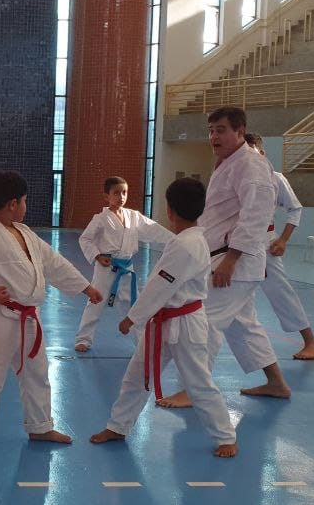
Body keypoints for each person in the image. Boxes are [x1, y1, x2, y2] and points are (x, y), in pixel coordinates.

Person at [0, 171, 104, 453]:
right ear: (12, 203)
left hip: (29, 316)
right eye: (24, 200)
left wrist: (85, 287)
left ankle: (40, 426)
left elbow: (53, 263)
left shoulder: (24, 232)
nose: (25, 205)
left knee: (37, 372)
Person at [89, 178, 238, 458]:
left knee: (198, 382)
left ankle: (226, 436)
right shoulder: (188, 240)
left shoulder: (187, 244)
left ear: (170, 211)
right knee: (136, 375)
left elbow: (159, 287)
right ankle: (118, 426)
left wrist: (131, 318)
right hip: (164, 321)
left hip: (185, 324)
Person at [158, 107, 291, 409]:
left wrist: (231, 260)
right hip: (226, 258)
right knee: (244, 325)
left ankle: (194, 390)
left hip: (234, 262)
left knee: (205, 322)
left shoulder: (251, 165)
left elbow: (255, 217)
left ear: (240, 132)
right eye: (211, 130)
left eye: (221, 130)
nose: (213, 136)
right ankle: (276, 383)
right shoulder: (231, 162)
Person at [73, 176, 174, 352]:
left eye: (124, 192)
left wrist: (174, 240)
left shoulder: (133, 216)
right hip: (106, 267)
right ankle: (83, 339)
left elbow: (153, 229)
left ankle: (141, 342)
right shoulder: (100, 218)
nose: (121, 196)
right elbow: (86, 239)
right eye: (116, 193)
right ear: (106, 196)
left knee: (133, 305)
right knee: (96, 302)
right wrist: (97, 256)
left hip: (126, 268)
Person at [245, 133, 314, 360]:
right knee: (225, 292)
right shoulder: (234, 176)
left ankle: (310, 342)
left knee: (281, 292)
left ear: (262, 153)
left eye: (251, 153)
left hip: (265, 241)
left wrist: (283, 239)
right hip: (237, 241)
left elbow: (295, 208)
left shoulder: (276, 178)